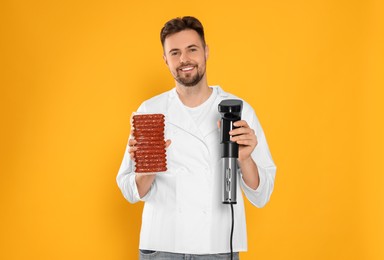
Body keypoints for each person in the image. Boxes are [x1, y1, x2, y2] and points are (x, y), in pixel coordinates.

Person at [117, 16, 276, 260]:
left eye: (192, 49)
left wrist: (244, 159)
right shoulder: (150, 110)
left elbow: (261, 194)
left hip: (217, 244)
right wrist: (147, 168)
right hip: (162, 245)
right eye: (175, 53)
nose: (184, 60)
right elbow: (129, 190)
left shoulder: (239, 110)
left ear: (206, 51)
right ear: (165, 60)